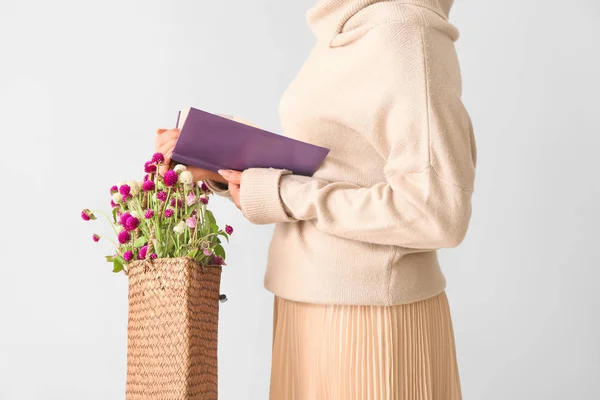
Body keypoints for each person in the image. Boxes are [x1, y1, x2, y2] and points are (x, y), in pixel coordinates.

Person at [155, 0, 477, 398]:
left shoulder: (407, 33)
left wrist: (284, 194)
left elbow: (436, 211)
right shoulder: (344, 25)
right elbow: (341, 164)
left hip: (368, 317)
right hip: (305, 301)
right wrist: (222, 162)